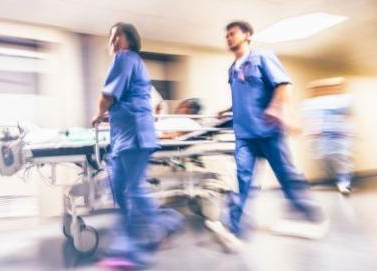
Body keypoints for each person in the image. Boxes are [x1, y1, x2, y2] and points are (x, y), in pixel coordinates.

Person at [210, 21, 326, 250]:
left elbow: (283, 85)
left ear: (247, 35)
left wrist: (274, 108)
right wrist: (227, 110)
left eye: (232, 34)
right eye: (226, 36)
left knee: (287, 177)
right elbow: (244, 99)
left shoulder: (262, 57)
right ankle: (233, 227)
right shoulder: (232, 69)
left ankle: (313, 217)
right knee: (242, 181)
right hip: (245, 136)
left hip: (268, 132)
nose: (229, 38)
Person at [92, 22, 182, 269]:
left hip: (135, 136)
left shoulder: (125, 58)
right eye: (110, 37)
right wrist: (110, 115)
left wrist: (98, 113)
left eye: (117, 36)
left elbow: (107, 96)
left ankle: (132, 250)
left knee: (132, 190)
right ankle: (159, 229)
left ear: (129, 39)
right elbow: (125, 100)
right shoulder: (130, 63)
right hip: (124, 137)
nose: (113, 41)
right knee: (120, 190)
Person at [303, 77, 354, 195]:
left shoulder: (344, 100)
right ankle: (335, 179)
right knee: (322, 157)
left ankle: (344, 184)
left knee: (342, 160)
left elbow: (348, 115)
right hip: (322, 136)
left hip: (339, 135)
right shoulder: (313, 103)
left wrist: (349, 131)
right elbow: (310, 119)